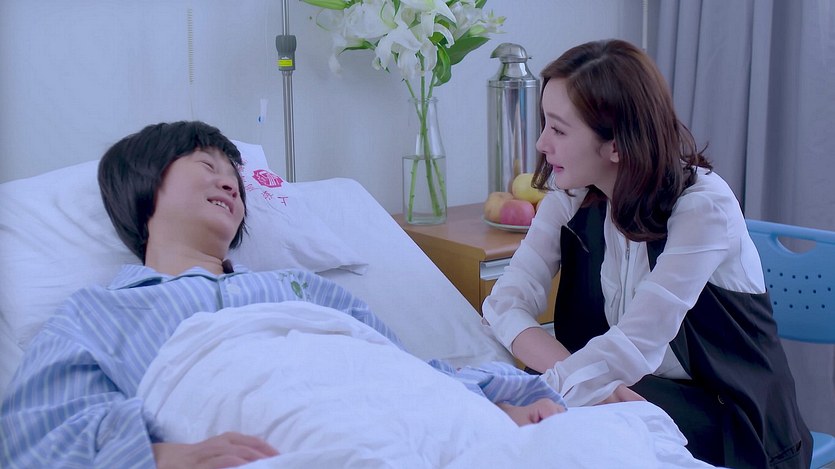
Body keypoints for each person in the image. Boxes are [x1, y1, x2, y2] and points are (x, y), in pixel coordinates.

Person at [0, 121, 565, 469]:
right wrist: (158, 457)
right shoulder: (99, 314)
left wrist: (493, 407)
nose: (229, 182)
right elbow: (35, 435)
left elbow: (400, 371)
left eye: (234, 177)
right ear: (145, 183)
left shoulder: (306, 289)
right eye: (207, 166)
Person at [481, 39, 812, 468]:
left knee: (550, 417)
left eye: (559, 130)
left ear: (617, 144)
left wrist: (554, 386)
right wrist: (587, 384)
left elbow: (635, 346)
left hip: (732, 416)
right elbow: (504, 304)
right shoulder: (570, 196)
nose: (542, 143)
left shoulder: (703, 207)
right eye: (546, 124)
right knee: (541, 414)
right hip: (633, 392)